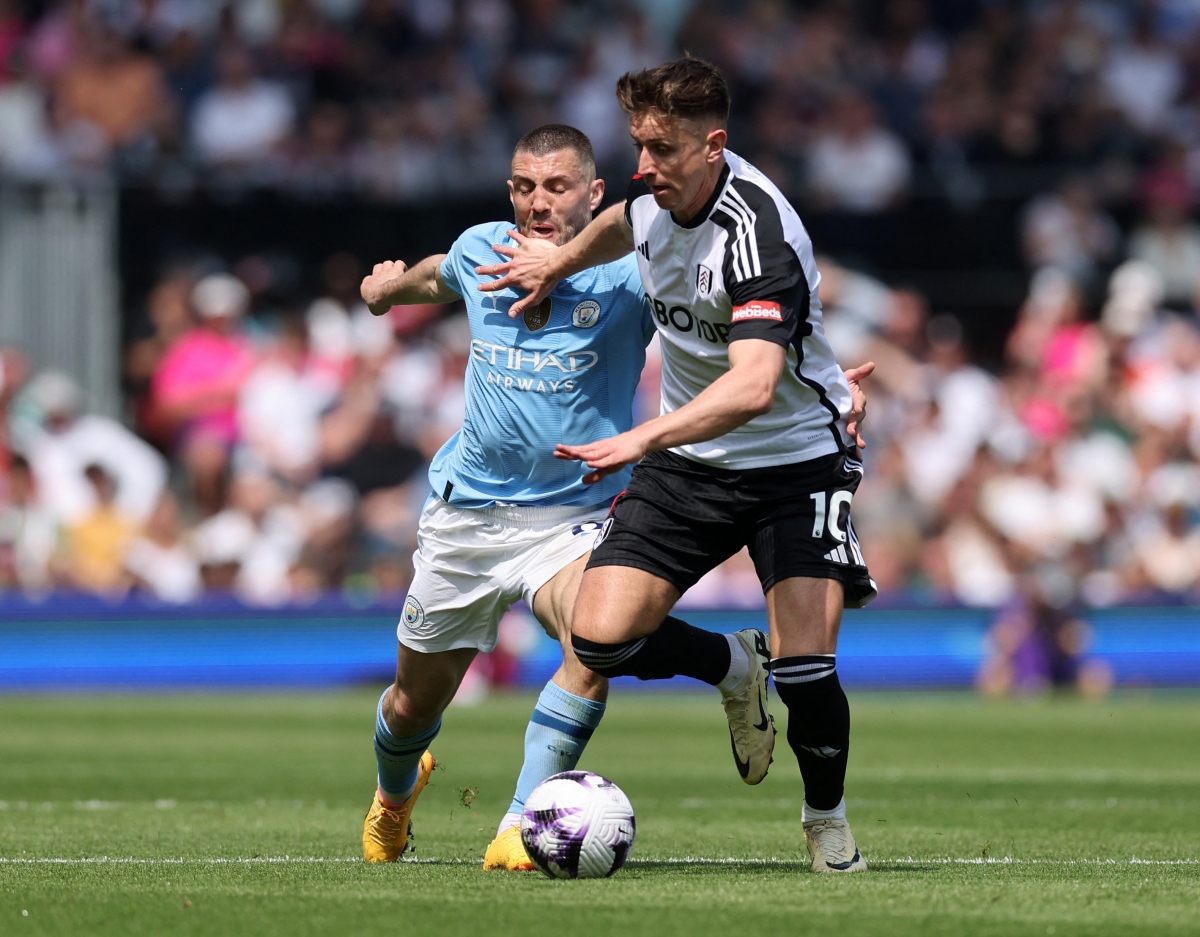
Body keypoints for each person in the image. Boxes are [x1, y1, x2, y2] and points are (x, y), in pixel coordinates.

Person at [356, 124, 857, 869]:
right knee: (409, 705)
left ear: (596, 196)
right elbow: (437, 275)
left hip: (575, 517)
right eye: (525, 187)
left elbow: (749, 318)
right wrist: (382, 290)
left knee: (592, 645)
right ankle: (393, 801)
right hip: (466, 518)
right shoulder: (483, 249)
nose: (538, 203)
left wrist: (827, 389)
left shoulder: (634, 271)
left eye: (557, 187)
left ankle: (519, 823)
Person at [480, 58, 877, 874]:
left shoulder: (759, 232)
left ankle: (826, 817)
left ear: (713, 146)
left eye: (659, 149)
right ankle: (734, 666)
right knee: (597, 636)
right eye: (638, 144)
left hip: (794, 463)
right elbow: (622, 221)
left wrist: (639, 441)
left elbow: (757, 386)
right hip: (692, 462)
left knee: (806, 670)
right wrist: (556, 263)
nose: (642, 166)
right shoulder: (656, 204)